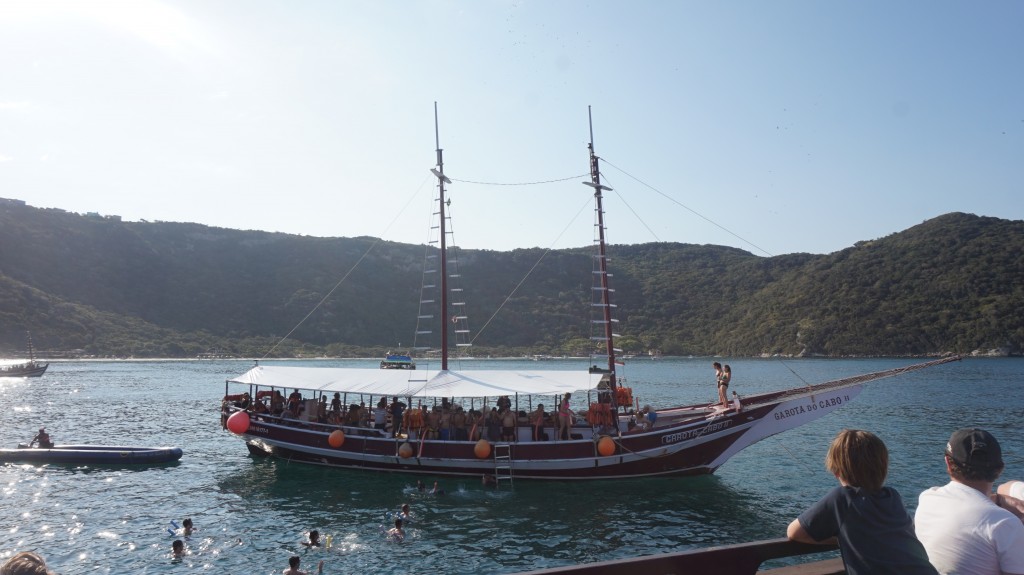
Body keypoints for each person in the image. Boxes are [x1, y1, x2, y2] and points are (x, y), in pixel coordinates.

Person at [786, 429, 937, 575]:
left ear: (836, 471)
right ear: (883, 468)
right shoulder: (892, 496)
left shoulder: (843, 498)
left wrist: (840, 539)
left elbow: (793, 532)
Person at [914, 428, 1024, 575]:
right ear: (1000, 468)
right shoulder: (1004, 523)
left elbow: (967, 503)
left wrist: (998, 498)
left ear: (948, 462)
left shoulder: (927, 498)